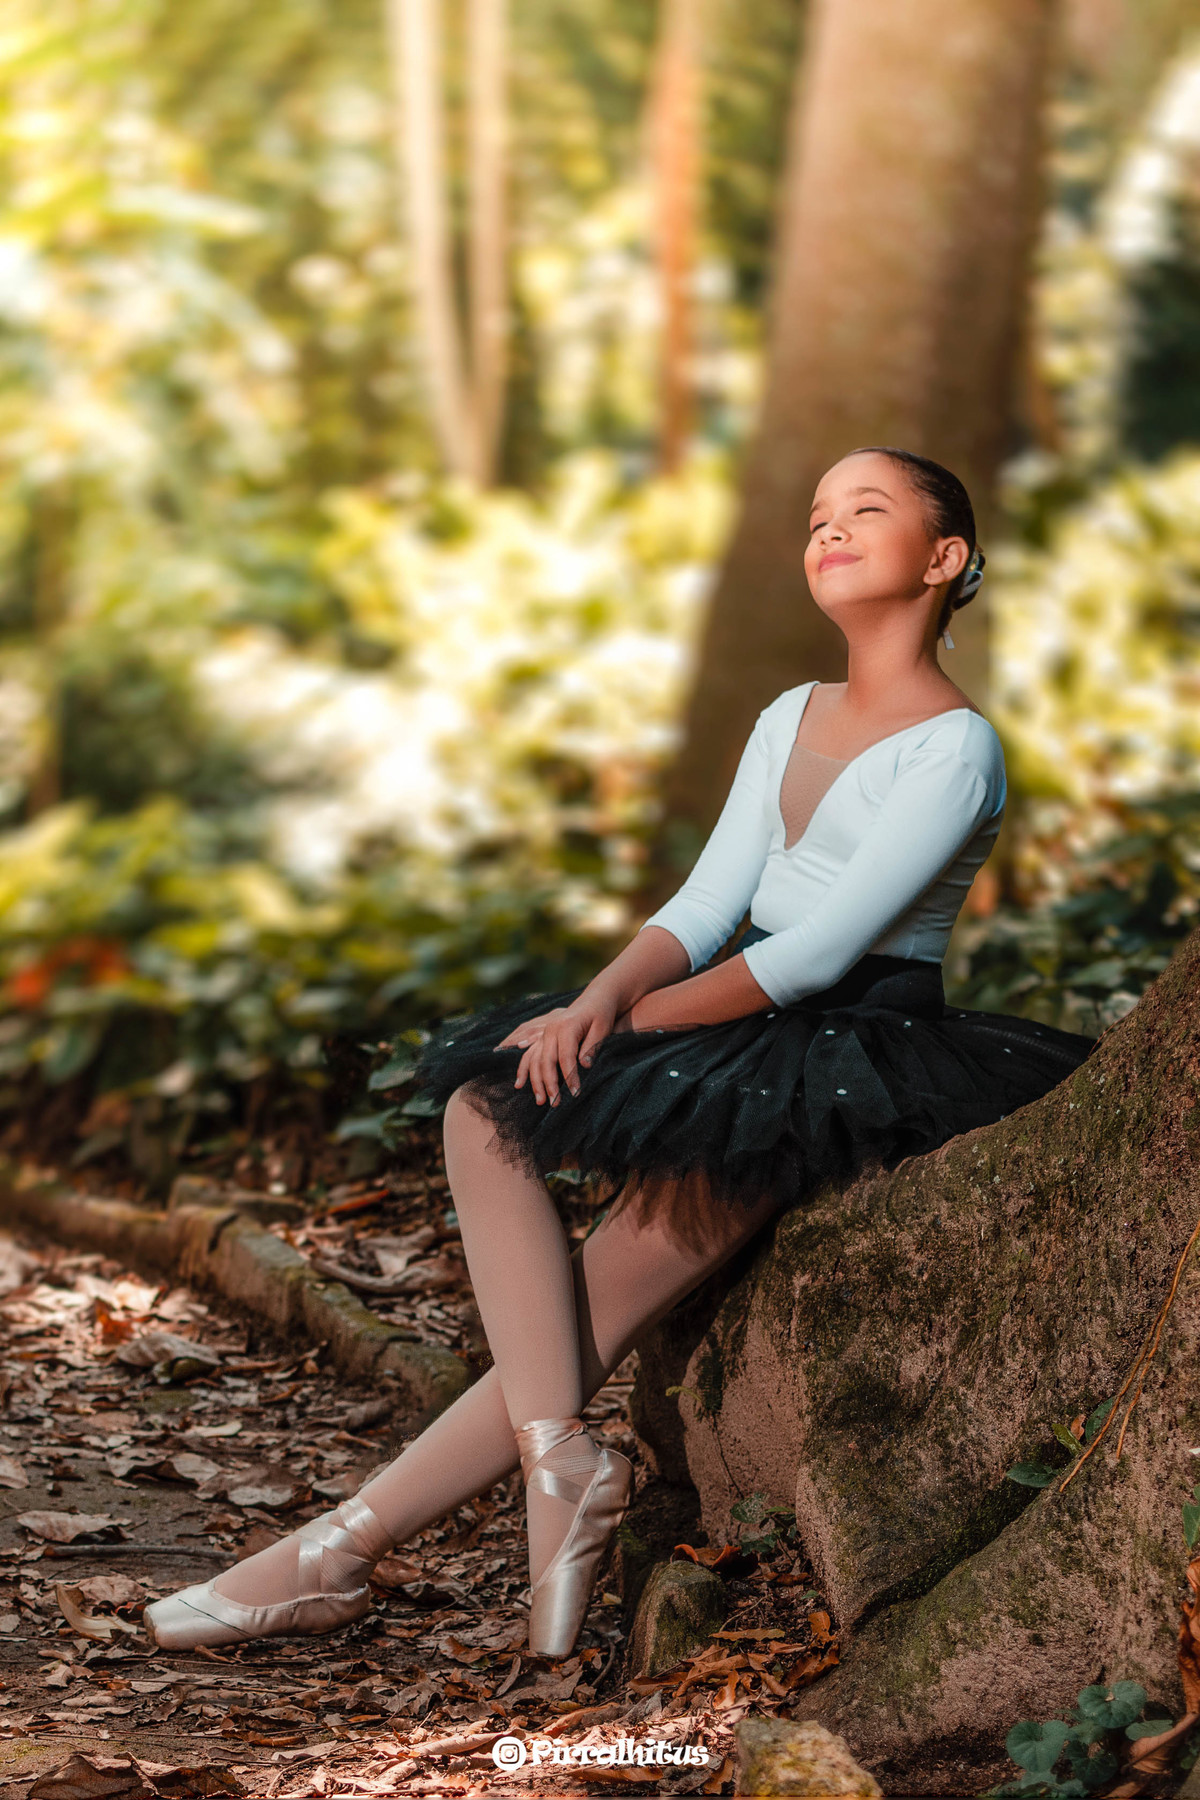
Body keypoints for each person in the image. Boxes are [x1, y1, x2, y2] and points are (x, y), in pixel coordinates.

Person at [144, 446, 1096, 1658]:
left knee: (600, 1293)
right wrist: (598, 999)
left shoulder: (957, 749)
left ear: (945, 558)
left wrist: (624, 1025)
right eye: (816, 516)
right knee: (485, 1114)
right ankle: (554, 1464)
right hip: (727, 1004)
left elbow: (813, 960)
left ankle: (334, 1553)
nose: (830, 531)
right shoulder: (785, 716)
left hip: (848, 1045)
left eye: (867, 511)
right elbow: (706, 906)